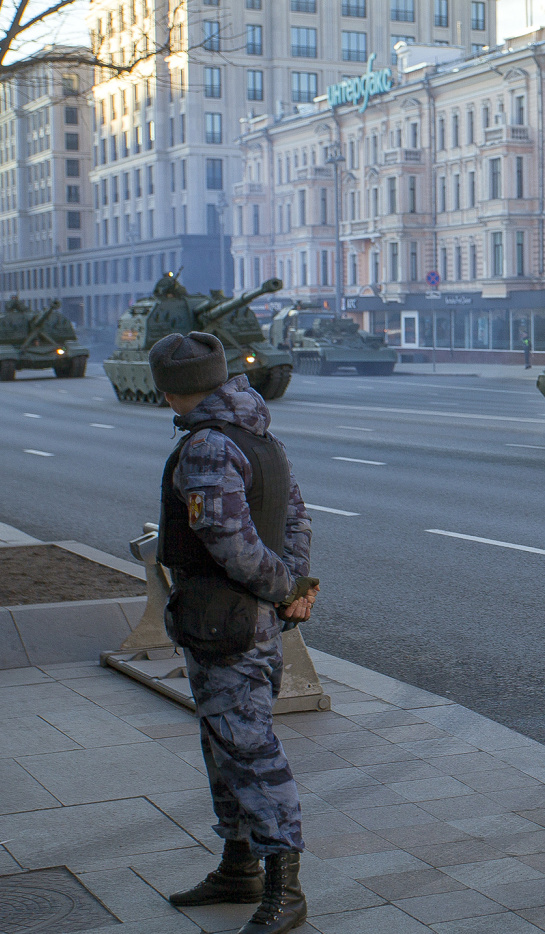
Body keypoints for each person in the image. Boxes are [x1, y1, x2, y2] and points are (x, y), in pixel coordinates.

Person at [153, 332, 316, 934]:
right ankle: (238, 866)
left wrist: (283, 589)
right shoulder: (259, 435)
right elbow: (295, 515)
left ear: (169, 390)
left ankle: (284, 889)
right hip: (247, 621)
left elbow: (231, 545)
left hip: (227, 621)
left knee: (248, 752)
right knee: (228, 745)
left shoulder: (206, 447)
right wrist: (292, 584)